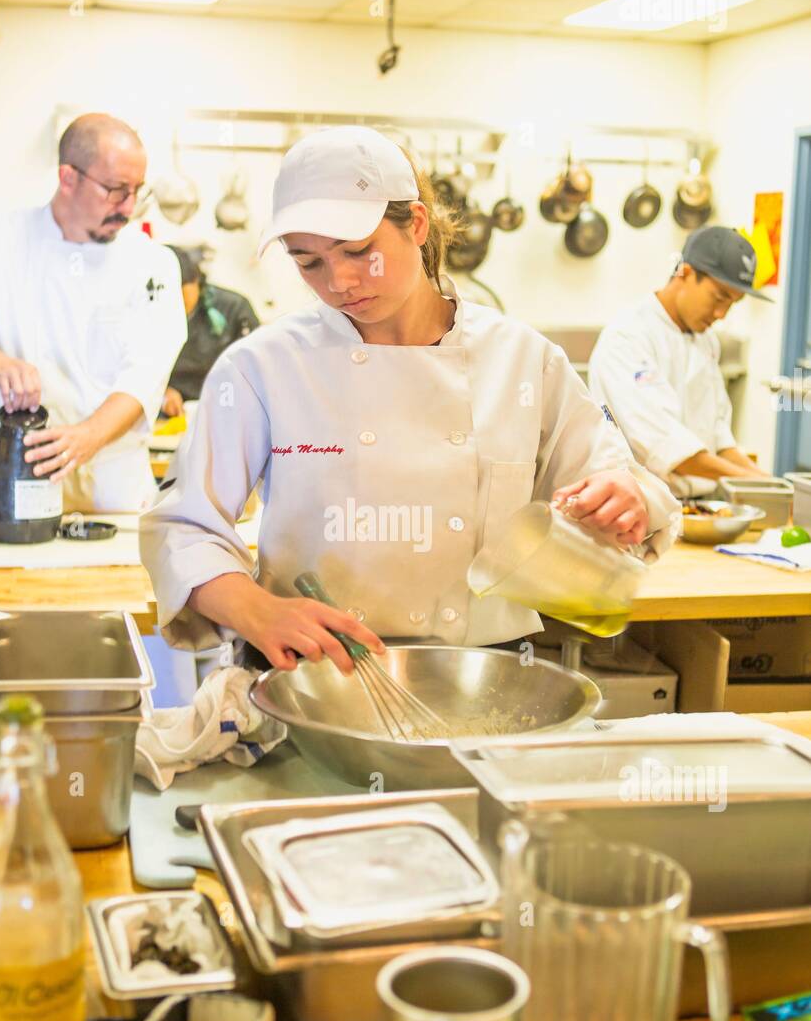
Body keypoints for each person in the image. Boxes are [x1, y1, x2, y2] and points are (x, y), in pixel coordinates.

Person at [141, 126, 679, 675]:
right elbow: (183, 526)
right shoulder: (263, 366)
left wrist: (627, 497)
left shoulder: (521, 360)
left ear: (416, 224)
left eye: (358, 251)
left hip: (480, 676)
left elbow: (616, 480)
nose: (340, 281)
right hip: (312, 673)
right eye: (309, 262)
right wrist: (256, 609)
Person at [0, 113, 186, 512]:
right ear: (68, 177)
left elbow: (146, 373)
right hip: (16, 479)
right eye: (115, 190)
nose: (128, 208)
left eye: (137, 191)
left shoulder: (154, 265)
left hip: (116, 489)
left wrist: (88, 436)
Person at [587, 227, 773, 498]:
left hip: (696, 505)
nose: (721, 314)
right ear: (684, 272)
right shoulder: (627, 337)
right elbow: (668, 448)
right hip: (636, 509)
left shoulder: (706, 341)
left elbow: (718, 436)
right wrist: (753, 481)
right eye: (719, 297)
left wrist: (770, 483)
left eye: (732, 303)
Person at [160, 247, 259, 417]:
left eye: (180, 294)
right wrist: (162, 392)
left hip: (228, 409)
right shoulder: (145, 313)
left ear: (196, 281)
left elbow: (257, 369)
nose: (174, 304)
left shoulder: (234, 308)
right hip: (171, 415)